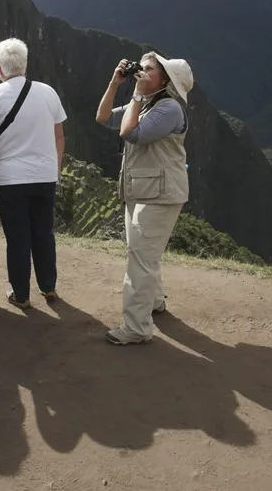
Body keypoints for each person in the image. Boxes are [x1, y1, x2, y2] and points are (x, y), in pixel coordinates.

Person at [0, 38, 67, 309]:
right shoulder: (48, 92)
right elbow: (59, 136)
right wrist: (55, 167)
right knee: (44, 232)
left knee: (18, 236)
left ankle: (21, 294)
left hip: (8, 179)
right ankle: (49, 287)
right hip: (44, 175)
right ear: (25, 63)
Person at [95, 52, 193, 345]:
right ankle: (155, 301)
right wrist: (115, 83)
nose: (142, 71)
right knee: (143, 253)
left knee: (140, 258)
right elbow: (102, 118)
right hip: (141, 190)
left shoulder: (170, 109)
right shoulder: (147, 104)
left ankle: (136, 328)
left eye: (149, 69)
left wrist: (136, 94)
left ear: (165, 81)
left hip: (160, 195)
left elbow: (129, 133)